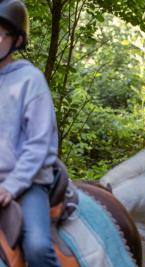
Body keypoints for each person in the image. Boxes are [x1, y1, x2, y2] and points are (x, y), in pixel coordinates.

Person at [0, 0, 61, 266]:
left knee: (36, 247)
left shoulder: (30, 79)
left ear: (16, 39)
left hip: (28, 181)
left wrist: (10, 187)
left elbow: (39, 144)